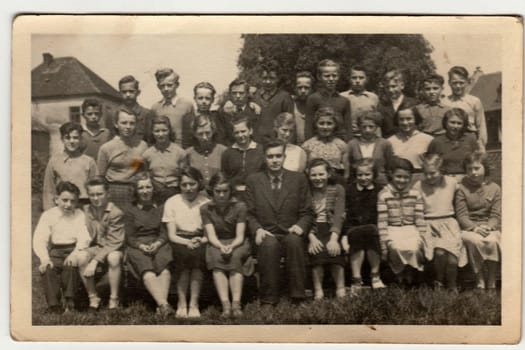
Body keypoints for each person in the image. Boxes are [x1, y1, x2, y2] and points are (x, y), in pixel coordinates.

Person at [245, 139, 314, 305]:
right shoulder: (254, 180)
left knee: (295, 242)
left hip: (291, 230)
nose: (274, 160)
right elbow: (249, 213)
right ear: (264, 158)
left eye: (278, 156)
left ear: (284, 157)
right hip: (267, 231)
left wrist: (300, 226)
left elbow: (308, 211)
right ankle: (269, 299)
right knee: (269, 245)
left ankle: (298, 296)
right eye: (270, 156)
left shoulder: (298, 179)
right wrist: (258, 230)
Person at [33, 181, 92, 313]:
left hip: (73, 249)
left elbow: (84, 237)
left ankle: (70, 302)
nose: (68, 205)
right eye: (64, 200)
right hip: (55, 251)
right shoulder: (48, 215)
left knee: (71, 266)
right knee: (48, 269)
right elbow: (39, 239)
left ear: (77, 202)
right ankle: (54, 305)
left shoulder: (79, 215)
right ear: (56, 199)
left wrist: (75, 253)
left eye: (72, 201)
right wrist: (44, 259)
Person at [413, 154, 467, 291]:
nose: (429, 177)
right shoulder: (419, 185)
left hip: (449, 223)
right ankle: (439, 282)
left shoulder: (452, 183)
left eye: (433, 173)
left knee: (453, 258)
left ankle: (452, 284)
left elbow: (462, 198)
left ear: (441, 170)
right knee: (440, 253)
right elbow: (415, 208)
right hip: (429, 224)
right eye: (426, 174)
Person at [123, 173, 174, 316]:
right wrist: (141, 246)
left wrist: (158, 243)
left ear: (153, 188)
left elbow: (164, 232)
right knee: (148, 270)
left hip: (159, 242)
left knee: (164, 268)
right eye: (141, 188)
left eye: (148, 187)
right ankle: (164, 305)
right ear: (135, 191)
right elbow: (130, 237)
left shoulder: (162, 207)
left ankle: (162, 307)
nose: (145, 191)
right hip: (138, 245)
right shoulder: (129, 210)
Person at [163, 167, 210, 318]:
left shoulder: (206, 202)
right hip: (179, 239)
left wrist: (200, 240)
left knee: (197, 260)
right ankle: (181, 303)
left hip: (200, 239)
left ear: (199, 183)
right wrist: (186, 242)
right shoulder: (172, 202)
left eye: (192, 184)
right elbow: (171, 235)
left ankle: (194, 304)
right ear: (179, 185)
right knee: (182, 259)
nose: (188, 188)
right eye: (184, 185)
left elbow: (209, 233)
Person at [201, 173, 251, 317]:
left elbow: (240, 236)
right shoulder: (205, 209)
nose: (222, 195)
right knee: (217, 259)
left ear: (230, 191)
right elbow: (211, 235)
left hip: (237, 241)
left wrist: (232, 246)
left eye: (225, 191)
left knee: (235, 257)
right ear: (212, 191)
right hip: (217, 242)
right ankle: (225, 305)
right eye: (218, 191)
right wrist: (221, 246)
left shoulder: (240, 206)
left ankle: (236, 304)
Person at [377, 157, 433, 286]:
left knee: (414, 247)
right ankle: (399, 274)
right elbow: (382, 222)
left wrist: (424, 238)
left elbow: (419, 219)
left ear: (411, 178)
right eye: (398, 176)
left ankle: (410, 273)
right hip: (392, 229)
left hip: (410, 228)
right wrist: (383, 244)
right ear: (391, 175)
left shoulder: (415, 194)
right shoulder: (384, 195)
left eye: (406, 177)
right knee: (395, 247)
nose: (402, 180)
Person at [77, 176, 125, 310]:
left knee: (113, 258)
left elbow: (115, 241)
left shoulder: (115, 213)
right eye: (92, 195)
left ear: (108, 194)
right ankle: (93, 297)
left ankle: (114, 298)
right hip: (95, 247)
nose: (96, 198)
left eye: (99, 194)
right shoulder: (86, 210)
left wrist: (95, 261)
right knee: (81, 257)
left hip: (114, 247)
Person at [455, 151, 501, 290]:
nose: (473, 172)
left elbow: (495, 214)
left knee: (492, 240)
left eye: (477, 168)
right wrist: (474, 228)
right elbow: (462, 215)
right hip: (468, 227)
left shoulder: (494, 188)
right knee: (475, 241)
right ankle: (479, 279)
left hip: (488, 227)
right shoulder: (461, 188)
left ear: (485, 168)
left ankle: (492, 279)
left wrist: (489, 226)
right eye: (470, 169)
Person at [342, 158, 386, 292]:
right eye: (359, 175)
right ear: (355, 176)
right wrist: (344, 235)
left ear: (374, 175)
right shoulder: (349, 191)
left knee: (371, 231)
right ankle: (356, 279)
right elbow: (345, 216)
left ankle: (375, 275)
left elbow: (382, 214)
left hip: (375, 228)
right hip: (353, 229)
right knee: (358, 233)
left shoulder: (380, 190)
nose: (363, 178)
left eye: (367, 174)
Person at [305, 159, 346, 300]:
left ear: (328, 174)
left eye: (321, 174)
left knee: (335, 251)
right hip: (312, 228)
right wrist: (311, 237)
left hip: (332, 227)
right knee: (317, 252)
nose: (318, 179)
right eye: (314, 175)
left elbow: (339, 215)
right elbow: (303, 215)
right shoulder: (306, 191)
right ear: (308, 176)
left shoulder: (337, 189)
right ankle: (318, 290)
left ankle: (340, 288)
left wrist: (334, 239)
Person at [97, 107, 148, 209]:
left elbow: (141, 170)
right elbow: (100, 177)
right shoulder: (106, 148)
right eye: (124, 123)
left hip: (135, 192)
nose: (128, 127)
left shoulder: (142, 146)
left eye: (131, 123)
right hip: (114, 191)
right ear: (116, 124)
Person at [43, 121, 97, 210]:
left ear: (80, 139)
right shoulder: (54, 161)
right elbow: (49, 190)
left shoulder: (89, 162)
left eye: (75, 138)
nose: (71, 141)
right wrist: (49, 212)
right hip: (62, 206)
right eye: (67, 138)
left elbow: (95, 188)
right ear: (62, 139)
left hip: (84, 206)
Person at [142, 115, 187, 204]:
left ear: (169, 131)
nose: (160, 134)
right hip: (155, 194)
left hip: (175, 193)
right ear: (152, 132)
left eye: (164, 130)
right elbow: (143, 174)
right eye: (157, 131)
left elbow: (184, 176)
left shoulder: (180, 153)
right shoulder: (146, 154)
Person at [427, 108, 479, 181]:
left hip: (467, 179)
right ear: (445, 122)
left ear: (464, 125)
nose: (455, 126)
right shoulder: (436, 142)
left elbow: (478, 162)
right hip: (444, 180)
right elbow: (430, 165)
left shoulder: (471, 139)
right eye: (452, 122)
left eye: (459, 123)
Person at [305, 59, 352, 141]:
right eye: (327, 76)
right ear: (319, 77)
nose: (331, 79)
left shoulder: (344, 101)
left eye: (334, 75)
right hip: (318, 143)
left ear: (338, 76)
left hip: (339, 143)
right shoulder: (313, 99)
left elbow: (348, 129)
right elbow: (309, 128)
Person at [444, 66, 488, 152]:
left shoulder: (474, 101)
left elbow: (481, 125)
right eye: (454, 83)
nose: (458, 86)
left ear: (467, 82)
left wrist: (482, 146)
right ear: (449, 83)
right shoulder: (444, 102)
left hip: (470, 139)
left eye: (461, 83)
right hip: (450, 141)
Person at [251, 60, 294, 144]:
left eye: (271, 78)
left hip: (277, 145)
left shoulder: (284, 97)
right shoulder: (254, 96)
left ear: (277, 79)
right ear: (260, 78)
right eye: (265, 78)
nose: (268, 82)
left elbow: (290, 124)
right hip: (257, 145)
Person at [346, 111, 394, 186]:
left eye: (371, 127)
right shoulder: (352, 144)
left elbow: (389, 166)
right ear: (359, 127)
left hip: (380, 182)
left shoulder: (385, 144)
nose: (367, 130)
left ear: (377, 127)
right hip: (359, 182)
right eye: (364, 127)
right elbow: (349, 165)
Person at [302, 106, 348, 183]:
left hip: (335, 184)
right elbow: (303, 171)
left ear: (335, 125)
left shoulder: (342, 145)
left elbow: (346, 173)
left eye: (329, 123)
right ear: (316, 125)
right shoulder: (307, 145)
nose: (325, 127)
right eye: (321, 123)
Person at [387, 107, 433, 184]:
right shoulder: (390, 141)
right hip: (399, 181)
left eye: (409, 119)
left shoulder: (428, 140)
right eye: (401, 119)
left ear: (416, 119)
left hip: (421, 181)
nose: (405, 123)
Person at [221, 117, 265, 197]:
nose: (240, 135)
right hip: (235, 195)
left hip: (257, 194)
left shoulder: (261, 150)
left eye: (243, 131)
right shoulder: (227, 153)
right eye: (236, 132)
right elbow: (225, 176)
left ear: (250, 131)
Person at [151, 68, 194, 146]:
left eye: (169, 85)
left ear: (177, 85)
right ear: (158, 86)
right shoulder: (155, 108)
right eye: (162, 86)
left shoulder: (187, 105)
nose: (166, 89)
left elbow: (192, 132)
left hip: (182, 150)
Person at [181, 82, 228, 149]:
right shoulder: (188, 118)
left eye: (207, 98)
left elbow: (221, 140)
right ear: (195, 99)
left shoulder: (217, 117)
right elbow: (186, 143)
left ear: (212, 100)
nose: (204, 101)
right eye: (200, 98)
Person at [185, 115, 228, 187]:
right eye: (200, 134)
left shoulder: (223, 151)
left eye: (207, 133)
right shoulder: (188, 153)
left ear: (213, 131)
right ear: (194, 134)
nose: (204, 137)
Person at [339, 65, 379, 137]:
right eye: (354, 78)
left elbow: (377, 121)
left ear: (366, 79)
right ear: (349, 79)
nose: (357, 81)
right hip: (347, 136)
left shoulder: (373, 97)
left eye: (361, 78)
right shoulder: (342, 96)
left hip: (368, 135)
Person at [377, 69, 418, 139]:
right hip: (389, 143)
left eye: (393, 86)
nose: (390, 90)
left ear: (402, 86)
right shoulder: (381, 106)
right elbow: (379, 128)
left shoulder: (413, 103)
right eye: (387, 87)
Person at [114, 75, 155, 143]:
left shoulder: (147, 114)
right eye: (124, 92)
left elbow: (150, 140)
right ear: (119, 93)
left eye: (131, 91)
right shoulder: (115, 113)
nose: (128, 94)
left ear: (138, 92)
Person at [220, 79, 261, 146]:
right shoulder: (223, 112)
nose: (238, 96)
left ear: (247, 94)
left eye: (241, 93)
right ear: (230, 94)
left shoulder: (255, 111)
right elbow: (222, 137)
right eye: (234, 93)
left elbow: (258, 135)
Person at [292, 71, 314, 144]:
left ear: (312, 89)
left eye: (306, 88)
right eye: (300, 87)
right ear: (295, 88)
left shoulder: (317, 106)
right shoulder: (290, 104)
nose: (303, 91)